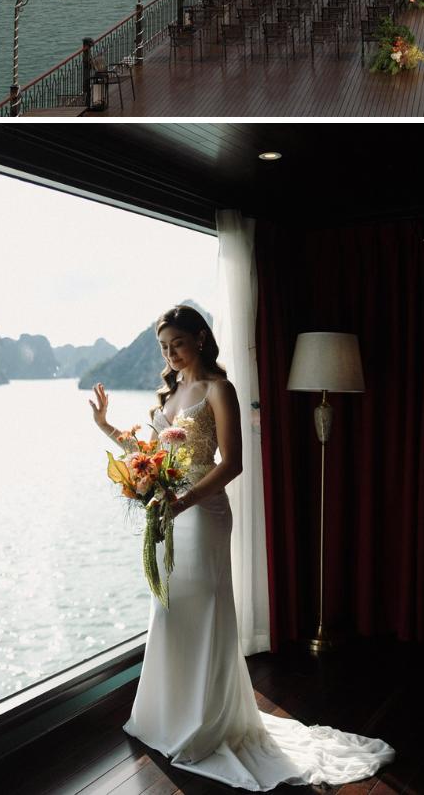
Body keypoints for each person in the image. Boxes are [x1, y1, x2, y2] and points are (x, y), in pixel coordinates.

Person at [89, 304, 394, 789]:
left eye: (178, 344)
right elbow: (150, 460)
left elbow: (232, 464)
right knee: (170, 611)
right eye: (164, 347)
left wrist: (183, 500)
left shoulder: (218, 389)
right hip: (171, 512)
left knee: (205, 610)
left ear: (201, 339)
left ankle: (206, 721)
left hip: (203, 513)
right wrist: (107, 428)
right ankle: (167, 716)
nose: (170, 354)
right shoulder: (167, 394)